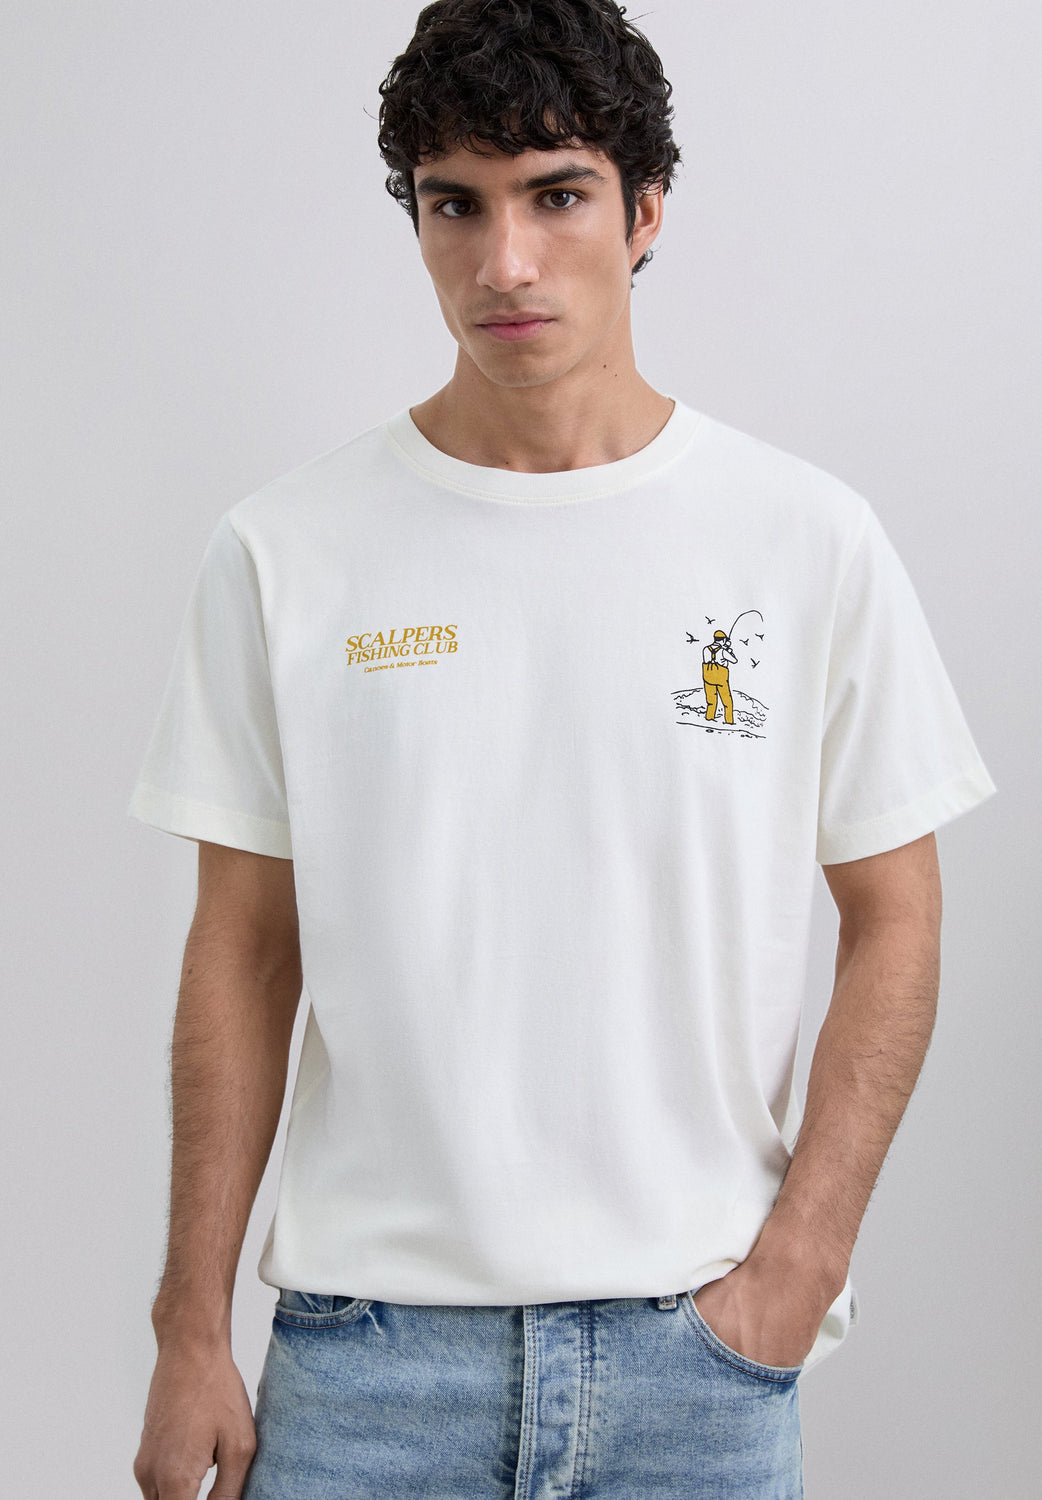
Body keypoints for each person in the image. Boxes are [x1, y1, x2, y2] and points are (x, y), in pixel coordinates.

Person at [128, 2, 996, 1496]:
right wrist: (186, 1326)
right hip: (365, 1371)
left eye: (555, 196)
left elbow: (896, 915)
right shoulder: (286, 551)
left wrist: (802, 1263)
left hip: (697, 1365)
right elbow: (244, 949)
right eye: (454, 205)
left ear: (644, 209)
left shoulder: (802, 540)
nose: (505, 263)